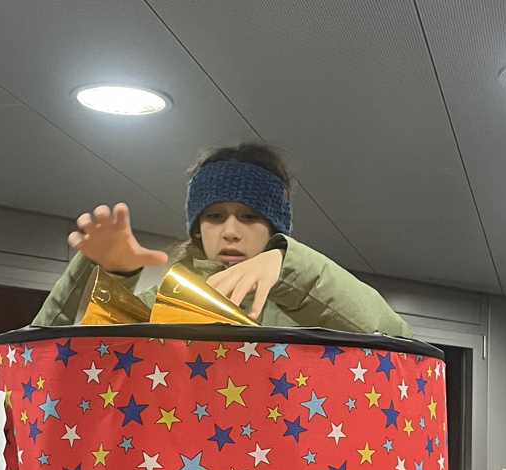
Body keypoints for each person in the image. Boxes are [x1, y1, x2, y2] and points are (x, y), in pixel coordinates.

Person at [31, 141, 411, 336]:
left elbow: (402, 345)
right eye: (214, 216)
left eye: (250, 216)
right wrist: (108, 271)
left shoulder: (306, 306)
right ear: (198, 226)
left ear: (274, 226)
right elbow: (57, 365)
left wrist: (288, 266)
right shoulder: (163, 301)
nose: (230, 230)